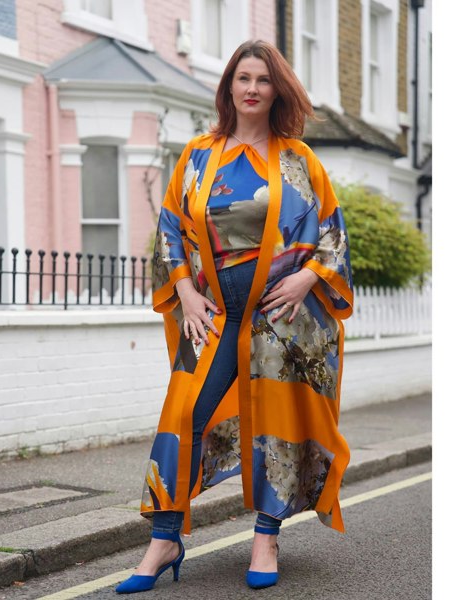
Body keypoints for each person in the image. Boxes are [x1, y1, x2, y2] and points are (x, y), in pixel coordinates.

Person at [115, 39, 353, 594]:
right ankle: (165, 538)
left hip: (280, 317)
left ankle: (266, 535)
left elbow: (332, 234)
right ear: (228, 88)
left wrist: (308, 277)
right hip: (213, 312)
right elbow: (171, 226)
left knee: (277, 423)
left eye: (262, 80)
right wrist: (184, 291)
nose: (251, 89)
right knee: (184, 414)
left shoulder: (298, 158)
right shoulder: (199, 154)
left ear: (277, 90)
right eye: (242, 79)